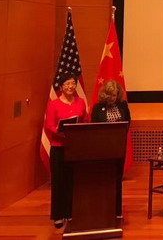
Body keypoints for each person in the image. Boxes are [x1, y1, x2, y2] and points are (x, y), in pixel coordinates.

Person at [44, 74, 89, 229]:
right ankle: (58, 215)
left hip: (75, 148)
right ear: (61, 87)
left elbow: (85, 120)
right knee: (58, 181)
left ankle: (70, 212)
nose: (70, 86)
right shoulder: (54, 104)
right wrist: (60, 132)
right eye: (67, 84)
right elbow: (49, 125)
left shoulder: (80, 102)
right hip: (59, 147)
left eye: (73, 83)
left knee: (73, 181)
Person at [90, 80, 131, 217]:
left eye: (115, 95)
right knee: (105, 179)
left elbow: (128, 122)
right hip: (103, 149)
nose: (113, 98)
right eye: (110, 95)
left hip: (119, 147)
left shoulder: (122, 105)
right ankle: (103, 208)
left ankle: (117, 210)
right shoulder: (98, 107)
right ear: (105, 94)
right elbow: (94, 127)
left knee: (117, 178)